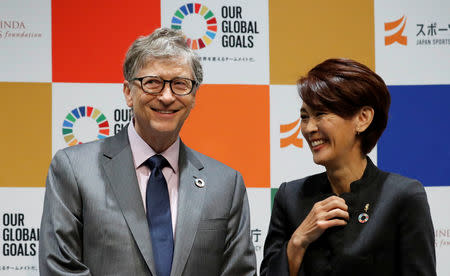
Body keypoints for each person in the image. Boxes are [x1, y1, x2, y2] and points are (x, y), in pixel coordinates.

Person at [39, 28, 256, 276]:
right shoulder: (75, 169)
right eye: (152, 82)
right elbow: (60, 269)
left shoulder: (226, 184)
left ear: (194, 96)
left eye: (179, 84)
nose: (166, 96)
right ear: (128, 93)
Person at [260, 58, 436, 276]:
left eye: (321, 114)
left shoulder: (403, 195)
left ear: (363, 119)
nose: (309, 128)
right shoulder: (290, 196)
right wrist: (299, 240)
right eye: (305, 117)